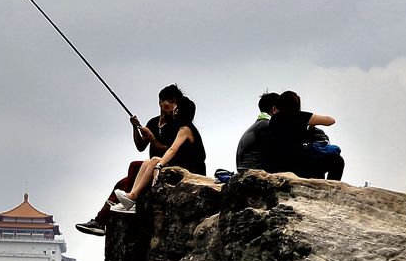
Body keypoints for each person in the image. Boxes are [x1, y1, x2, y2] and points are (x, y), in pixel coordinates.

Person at [76, 85, 206, 235]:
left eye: (174, 104)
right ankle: (100, 220)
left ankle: (128, 202)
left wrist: (153, 140)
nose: (172, 107)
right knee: (122, 183)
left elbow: (171, 150)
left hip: (167, 164)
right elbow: (140, 146)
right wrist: (135, 128)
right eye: (169, 102)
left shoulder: (178, 126)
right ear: (161, 102)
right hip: (155, 164)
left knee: (134, 167)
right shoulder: (153, 122)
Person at [257, 91, 343, 180]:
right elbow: (330, 121)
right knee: (337, 161)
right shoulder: (299, 116)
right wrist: (312, 122)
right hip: (297, 166)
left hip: (276, 167)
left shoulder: (273, 120)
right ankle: (330, 189)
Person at [235, 93, 283, 175]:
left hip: (245, 174)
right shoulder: (269, 126)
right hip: (256, 176)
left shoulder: (259, 125)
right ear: (274, 109)